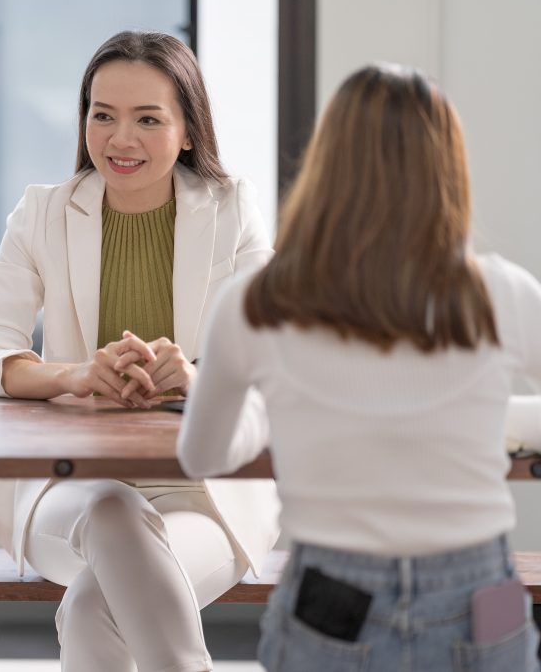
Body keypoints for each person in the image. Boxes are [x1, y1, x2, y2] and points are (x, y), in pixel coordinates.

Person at [178, 63, 541, 671]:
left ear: (328, 165)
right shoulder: (500, 293)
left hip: (330, 599)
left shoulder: (256, 302)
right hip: (484, 594)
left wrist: (268, 412)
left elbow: (203, 456)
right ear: (446, 168)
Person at [0, 30, 279, 672]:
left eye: (148, 119)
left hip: (202, 495)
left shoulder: (232, 210)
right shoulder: (42, 213)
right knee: (112, 508)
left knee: (92, 607)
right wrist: (74, 376)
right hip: (69, 487)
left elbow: (270, 359)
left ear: (188, 131)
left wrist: (196, 377)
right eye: (102, 115)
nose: (120, 139)